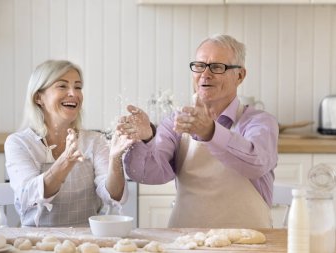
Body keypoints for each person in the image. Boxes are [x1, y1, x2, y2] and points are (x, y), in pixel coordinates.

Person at [116, 34, 279, 228]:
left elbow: (255, 164)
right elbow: (148, 175)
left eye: (217, 67)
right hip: (186, 242)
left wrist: (210, 132)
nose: (205, 74)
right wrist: (146, 138)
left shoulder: (260, 123)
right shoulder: (176, 122)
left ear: (240, 76)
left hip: (249, 242)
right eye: (200, 66)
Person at [5, 59, 131, 227]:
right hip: (36, 242)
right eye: (62, 86)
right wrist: (65, 161)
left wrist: (115, 159)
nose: (74, 93)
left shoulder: (95, 141)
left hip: (87, 241)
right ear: (38, 97)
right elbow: (28, 195)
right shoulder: (19, 143)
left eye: (78, 87)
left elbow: (114, 197)